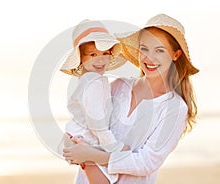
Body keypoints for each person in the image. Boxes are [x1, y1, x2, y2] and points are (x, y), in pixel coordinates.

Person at [63, 14, 199, 183]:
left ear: (176, 55)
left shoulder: (174, 107)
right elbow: (87, 125)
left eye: (160, 50)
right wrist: (74, 146)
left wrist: (92, 157)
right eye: (144, 48)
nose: (149, 58)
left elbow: (146, 162)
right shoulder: (119, 86)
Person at [59, 19, 128, 184]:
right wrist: (113, 146)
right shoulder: (94, 82)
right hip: (87, 139)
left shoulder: (90, 79)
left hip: (81, 136)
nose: (101, 60)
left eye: (105, 53)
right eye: (93, 54)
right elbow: (96, 121)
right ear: (81, 59)